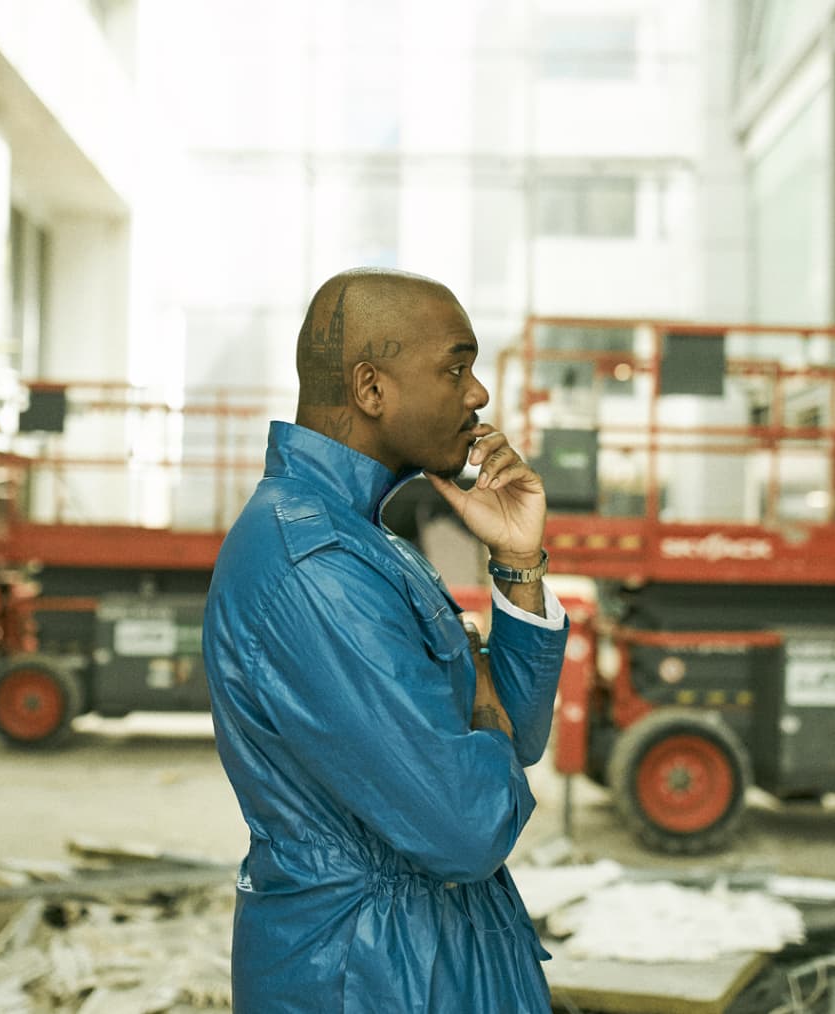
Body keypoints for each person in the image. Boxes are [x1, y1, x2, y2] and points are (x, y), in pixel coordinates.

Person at [203, 267, 570, 1013]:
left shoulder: (366, 540)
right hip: (366, 976)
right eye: (456, 367)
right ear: (372, 389)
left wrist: (519, 562)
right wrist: (480, 714)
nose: (479, 395)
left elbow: (516, 742)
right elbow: (468, 827)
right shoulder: (315, 569)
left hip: (429, 951)